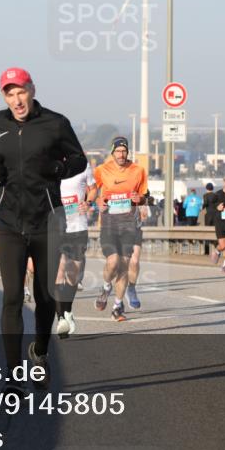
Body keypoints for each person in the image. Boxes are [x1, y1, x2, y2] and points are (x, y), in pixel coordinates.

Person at [0, 67, 87, 393]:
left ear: (32, 90)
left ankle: (40, 352)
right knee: (12, 297)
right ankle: (13, 376)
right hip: (10, 223)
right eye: (10, 94)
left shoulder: (55, 123)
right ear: (5, 97)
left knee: (44, 297)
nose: (17, 100)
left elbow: (79, 160)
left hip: (47, 221)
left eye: (21, 92)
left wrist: (57, 167)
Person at [94, 136, 149, 321]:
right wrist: (97, 201)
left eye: (124, 151)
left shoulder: (138, 170)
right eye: (118, 151)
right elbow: (91, 191)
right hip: (109, 225)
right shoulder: (102, 170)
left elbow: (145, 196)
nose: (121, 154)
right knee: (113, 262)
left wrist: (140, 199)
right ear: (112, 152)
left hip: (128, 226)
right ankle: (106, 286)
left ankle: (117, 306)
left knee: (124, 265)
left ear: (128, 152)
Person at [55, 163, 97, 338]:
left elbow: (93, 189)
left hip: (78, 227)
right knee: (59, 271)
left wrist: (88, 202)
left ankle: (67, 311)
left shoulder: (83, 165)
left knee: (73, 275)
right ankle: (61, 320)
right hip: (56, 228)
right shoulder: (50, 163)